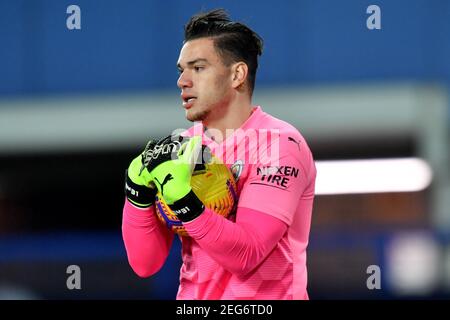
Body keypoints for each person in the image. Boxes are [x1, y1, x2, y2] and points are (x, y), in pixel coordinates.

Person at [122, 8, 316, 300]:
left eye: (198, 68)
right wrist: (135, 193)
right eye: (181, 70)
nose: (182, 81)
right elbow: (144, 264)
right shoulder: (181, 149)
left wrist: (183, 201)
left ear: (237, 74)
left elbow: (247, 255)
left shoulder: (279, 146)